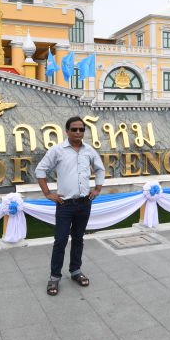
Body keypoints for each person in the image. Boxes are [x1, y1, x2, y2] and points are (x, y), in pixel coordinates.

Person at [35, 116, 105, 296]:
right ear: (67, 131)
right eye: (74, 129)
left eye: (81, 129)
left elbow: (100, 169)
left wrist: (97, 188)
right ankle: (54, 277)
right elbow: (40, 170)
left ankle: (75, 271)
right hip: (65, 204)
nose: (78, 132)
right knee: (60, 241)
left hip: (84, 204)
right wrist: (48, 194)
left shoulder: (89, 150)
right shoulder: (57, 150)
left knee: (79, 238)